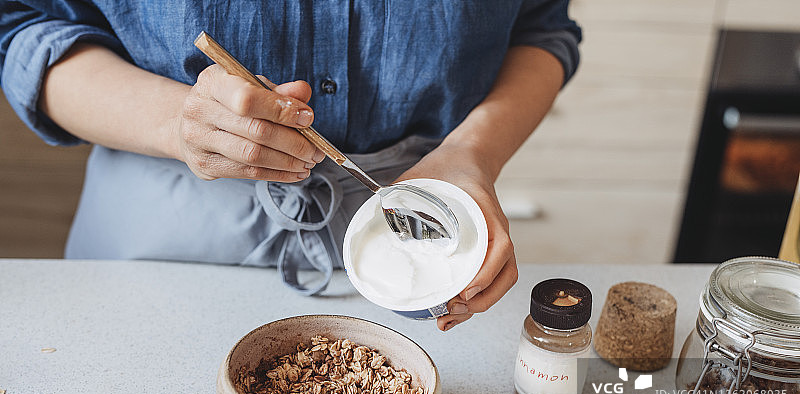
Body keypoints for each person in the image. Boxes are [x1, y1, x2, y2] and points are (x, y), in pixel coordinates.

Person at [0, 2, 581, 331]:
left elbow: (541, 28)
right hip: (158, 240)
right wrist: (178, 122)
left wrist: (472, 152)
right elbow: (25, 25)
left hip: (418, 233)